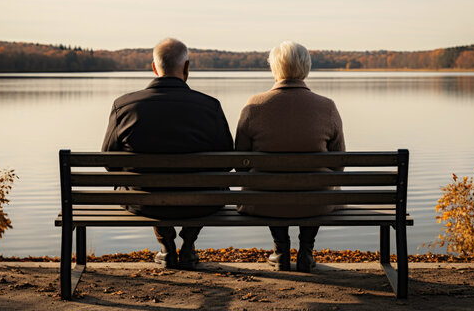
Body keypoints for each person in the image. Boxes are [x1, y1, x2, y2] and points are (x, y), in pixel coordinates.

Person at [102, 38, 233, 269]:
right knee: (214, 186)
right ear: (187, 68)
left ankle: (166, 246)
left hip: (145, 201)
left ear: (154, 67)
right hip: (200, 202)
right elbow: (226, 163)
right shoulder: (210, 107)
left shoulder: (124, 106)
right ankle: (189, 245)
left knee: (144, 184)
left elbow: (110, 162)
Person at [235, 41, 346, 272]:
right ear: (306, 69)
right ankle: (306, 251)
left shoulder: (253, 106)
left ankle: (281, 249)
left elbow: (240, 165)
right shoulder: (327, 107)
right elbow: (338, 165)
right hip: (317, 202)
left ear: (274, 69)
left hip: (264, 202)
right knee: (322, 186)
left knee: (268, 187)